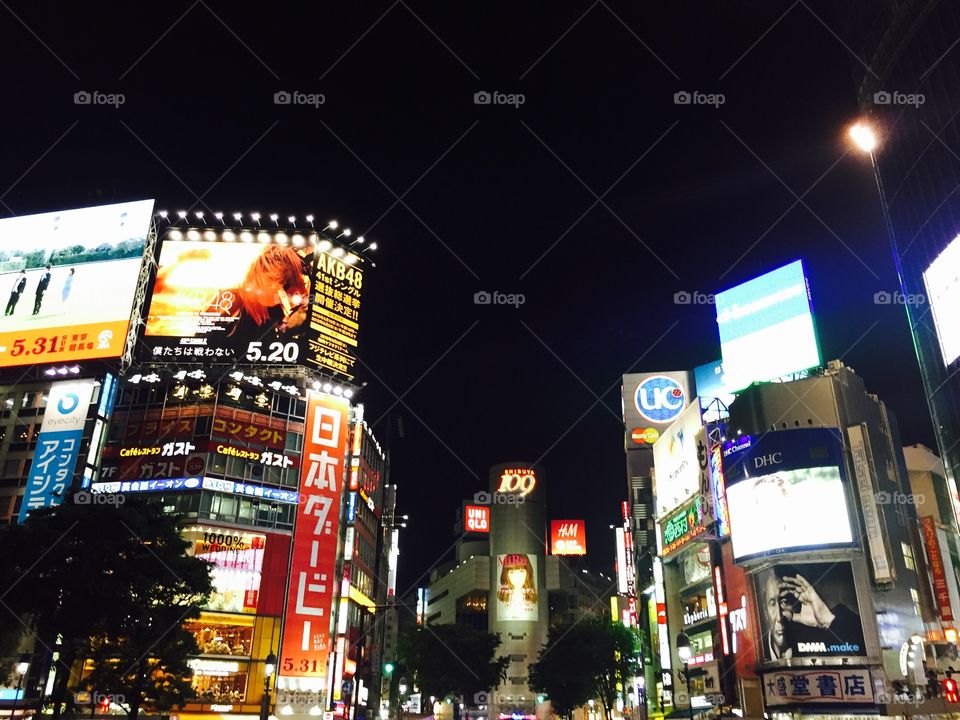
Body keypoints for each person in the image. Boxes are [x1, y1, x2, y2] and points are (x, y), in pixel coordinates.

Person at [211, 245, 310, 348]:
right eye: (274, 279)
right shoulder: (232, 298)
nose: (277, 288)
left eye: (283, 283)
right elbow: (208, 338)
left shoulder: (275, 312)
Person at [761, 565, 864, 661]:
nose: (780, 617)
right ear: (765, 610)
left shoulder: (820, 634)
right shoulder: (759, 653)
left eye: (784, 602)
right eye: (772, 603)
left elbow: (860, 654)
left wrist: (828, 621)